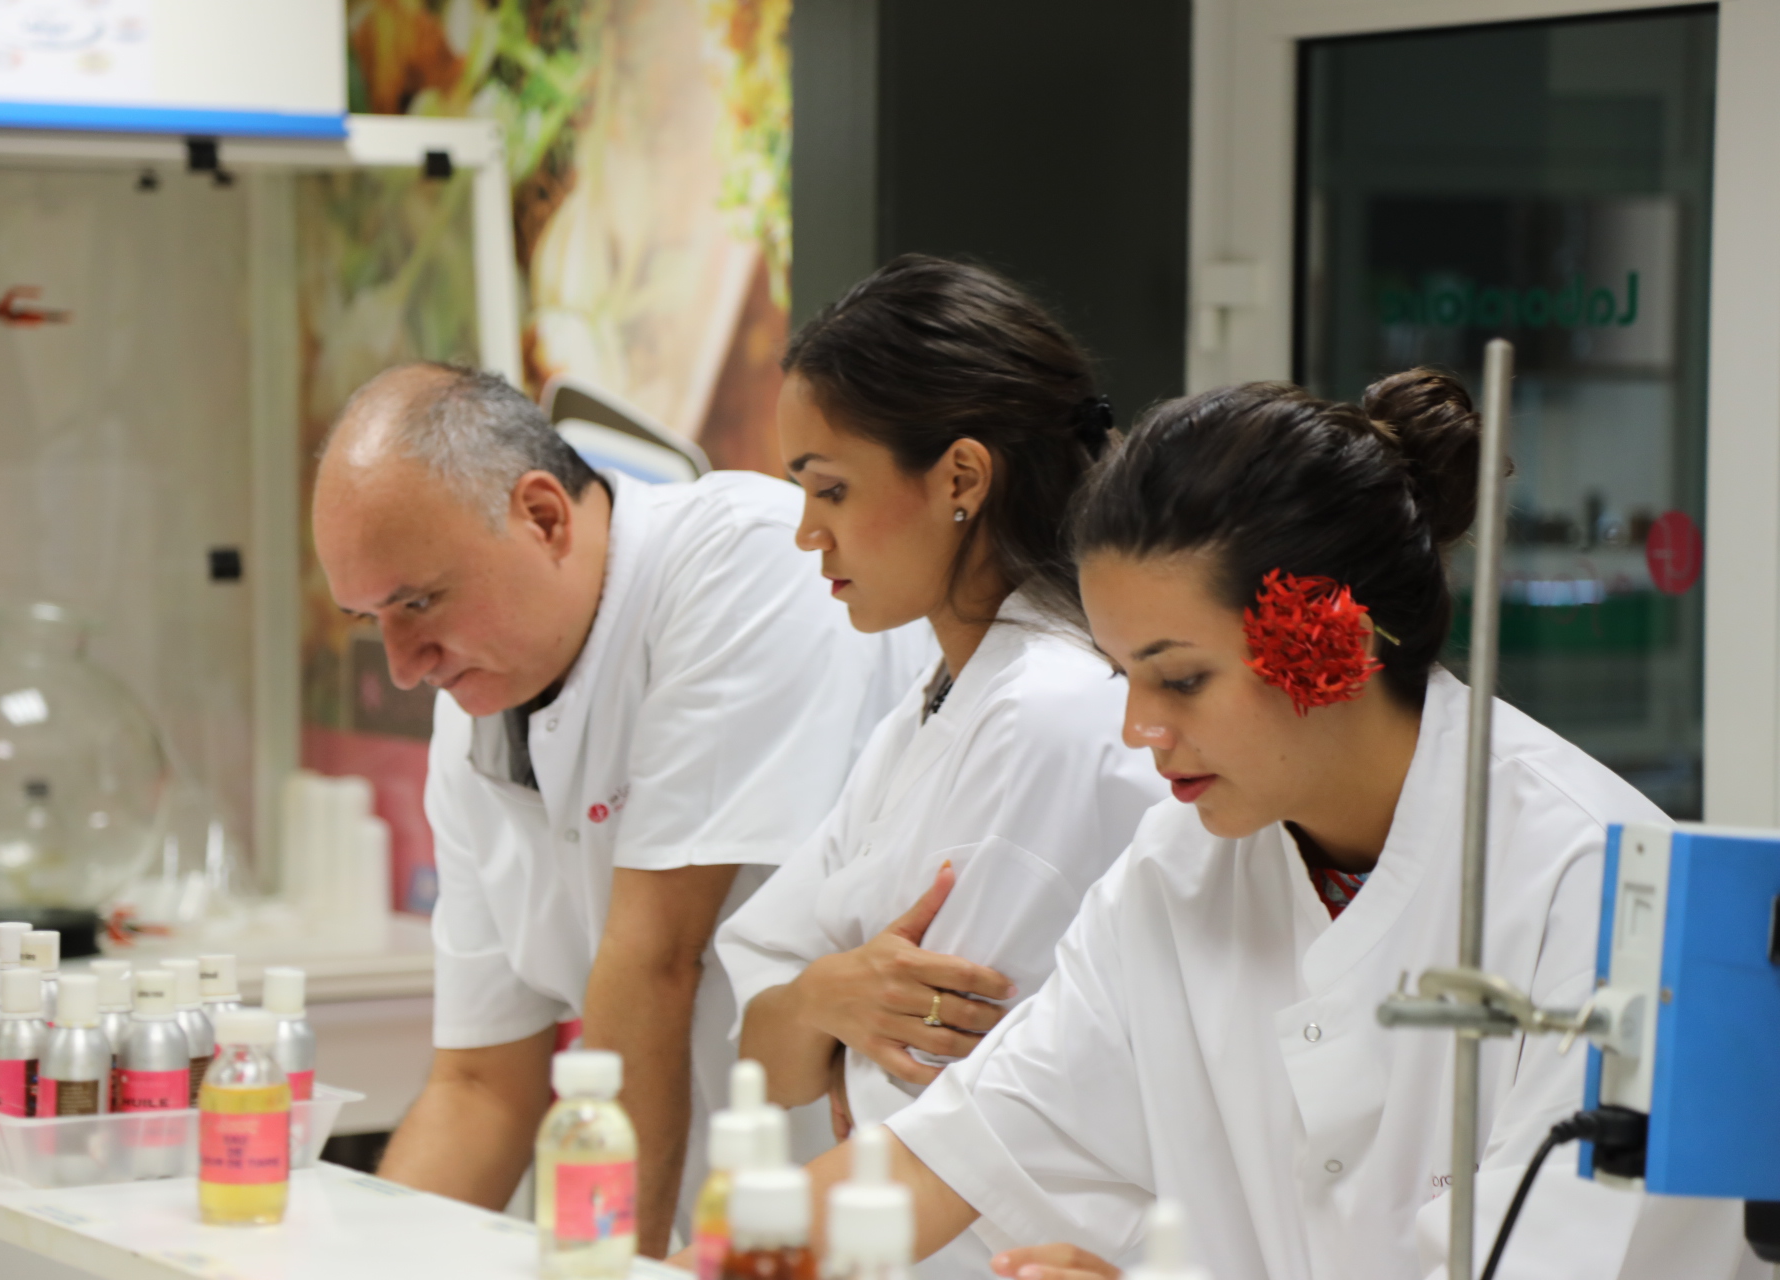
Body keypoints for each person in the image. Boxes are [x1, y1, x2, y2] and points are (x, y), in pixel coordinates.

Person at [804, 372, 1757, 1279]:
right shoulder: (1180, 872)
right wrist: (715, 1257)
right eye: (1122, 676)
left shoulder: (1597, 891)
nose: (1139, 729)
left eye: (1180, 679)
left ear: (1332, 644)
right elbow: (956, 1151)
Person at [311, 364, 926, 1252]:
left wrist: (612, 1270)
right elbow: (484, 1085)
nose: (406, 666)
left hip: (873, 1213)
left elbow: (656, 960)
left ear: (544, 516)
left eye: (419, 601)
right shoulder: (477, 710)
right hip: (700, 1227)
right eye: (372, 619)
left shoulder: (740, 558)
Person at [716, 256, 1169, 1279]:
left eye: (831, 487)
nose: (806, 532)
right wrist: (826, 998)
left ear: (961, 476)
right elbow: (765, 1045)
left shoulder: (1049, 713)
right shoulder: (937, 704)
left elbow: (917, 1083)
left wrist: (821, 1011)